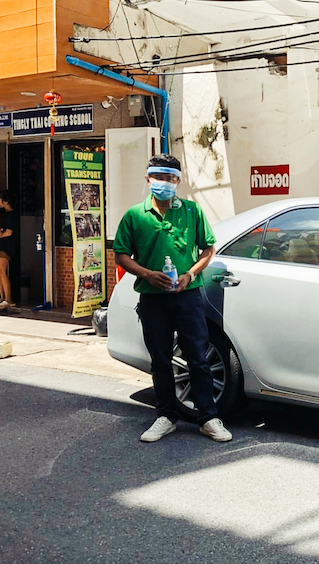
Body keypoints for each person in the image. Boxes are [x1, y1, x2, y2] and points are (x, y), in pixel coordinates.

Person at [113, 154, 232, 443]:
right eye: (158, 177)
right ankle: (166, 416)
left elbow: (207, 250)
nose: (163, 183)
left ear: (178, 181)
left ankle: (208, 417)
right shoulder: (135, 215)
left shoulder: (192, 211)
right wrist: (147, 274)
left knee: (198, 358)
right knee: (161, 359)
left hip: (187, 297)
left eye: (169, 178)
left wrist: (190, 274)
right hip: (153, 299)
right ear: (148, 179)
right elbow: (121, 255)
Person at [0, 191, 18, 310]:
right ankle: (1, 297)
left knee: (2, 271)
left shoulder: (12, 215)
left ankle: (9, 299)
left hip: (7, 246)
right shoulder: (1, 214)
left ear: (5, 201)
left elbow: (9, 232)